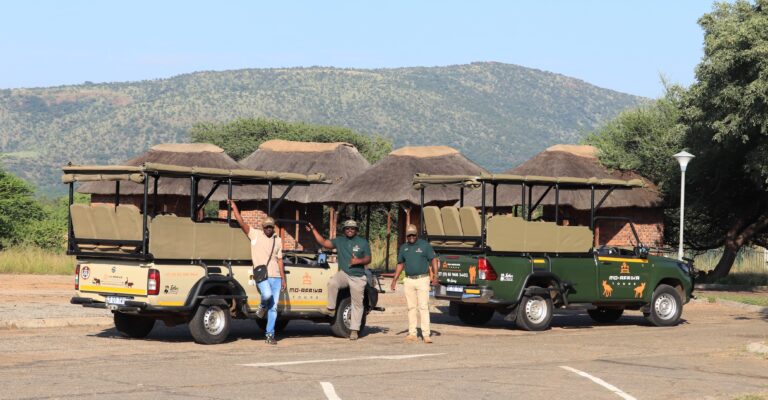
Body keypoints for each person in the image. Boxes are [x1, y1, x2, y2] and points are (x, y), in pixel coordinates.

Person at [229, 200, 285, 345]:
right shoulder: (255, 235)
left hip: (276, 277)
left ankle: (270, 335)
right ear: (262, 227)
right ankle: (262, 307)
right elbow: (242, 223)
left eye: (270, 227)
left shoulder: (278, 240)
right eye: (266, 226)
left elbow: (280, 260)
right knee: (267, 295)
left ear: (273, 227)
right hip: (262, 275)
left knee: (274, 308)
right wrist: (234, 208)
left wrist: (283, 278)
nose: (268, 229)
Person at [306, 219, 371, 340]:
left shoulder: (363, 242)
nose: (350, 230)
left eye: (352, 228)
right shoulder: (339, 241)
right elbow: (324, 243)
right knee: (333, 282)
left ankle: (354, 330)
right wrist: (313, 230)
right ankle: (331, 309)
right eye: (347, 228)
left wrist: (358, 261)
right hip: (345, 273)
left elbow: (368, 259)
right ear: (344, 230)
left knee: (357, 304)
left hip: (358, 276)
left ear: (356, 230)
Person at [390, 224, 438, 343]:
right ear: (406, 236)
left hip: (422, 279)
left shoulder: (425, 245)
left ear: (417, 234)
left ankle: (426, 334)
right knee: (411, 307)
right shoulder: (404, 248)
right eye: (409, 235)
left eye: (413, 235)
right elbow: (400, 263)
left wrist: (436, 276)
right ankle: (412, 333)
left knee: (423, 307)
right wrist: (394, 280)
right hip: (408, 280)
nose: (411, 237)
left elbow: (433, 259)